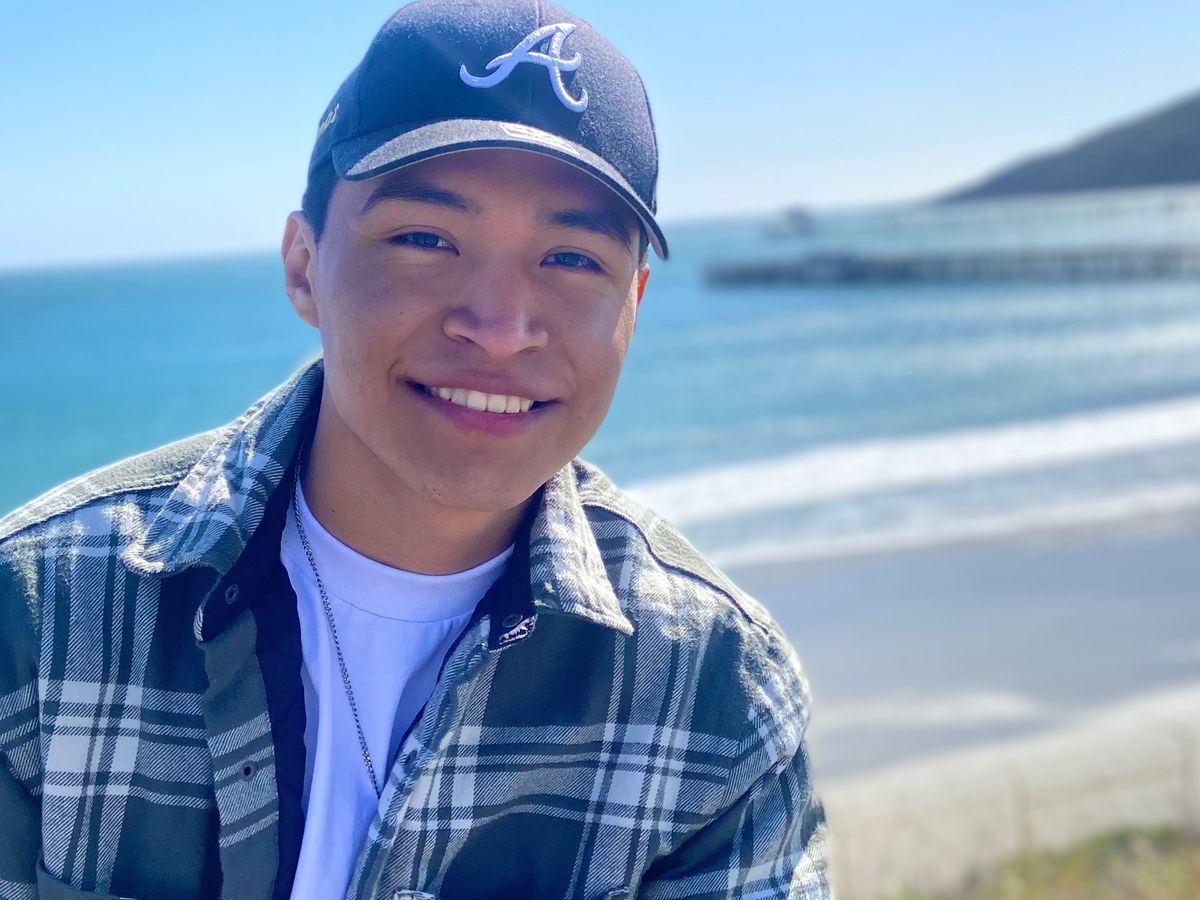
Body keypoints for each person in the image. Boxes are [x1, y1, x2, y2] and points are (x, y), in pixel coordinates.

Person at [0, 1, 829, 897]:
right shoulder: (44, 616)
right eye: (425, 239)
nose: (500, 328)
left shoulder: (712, 696)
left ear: (633, 304)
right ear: (303, 265)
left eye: (571, 258)